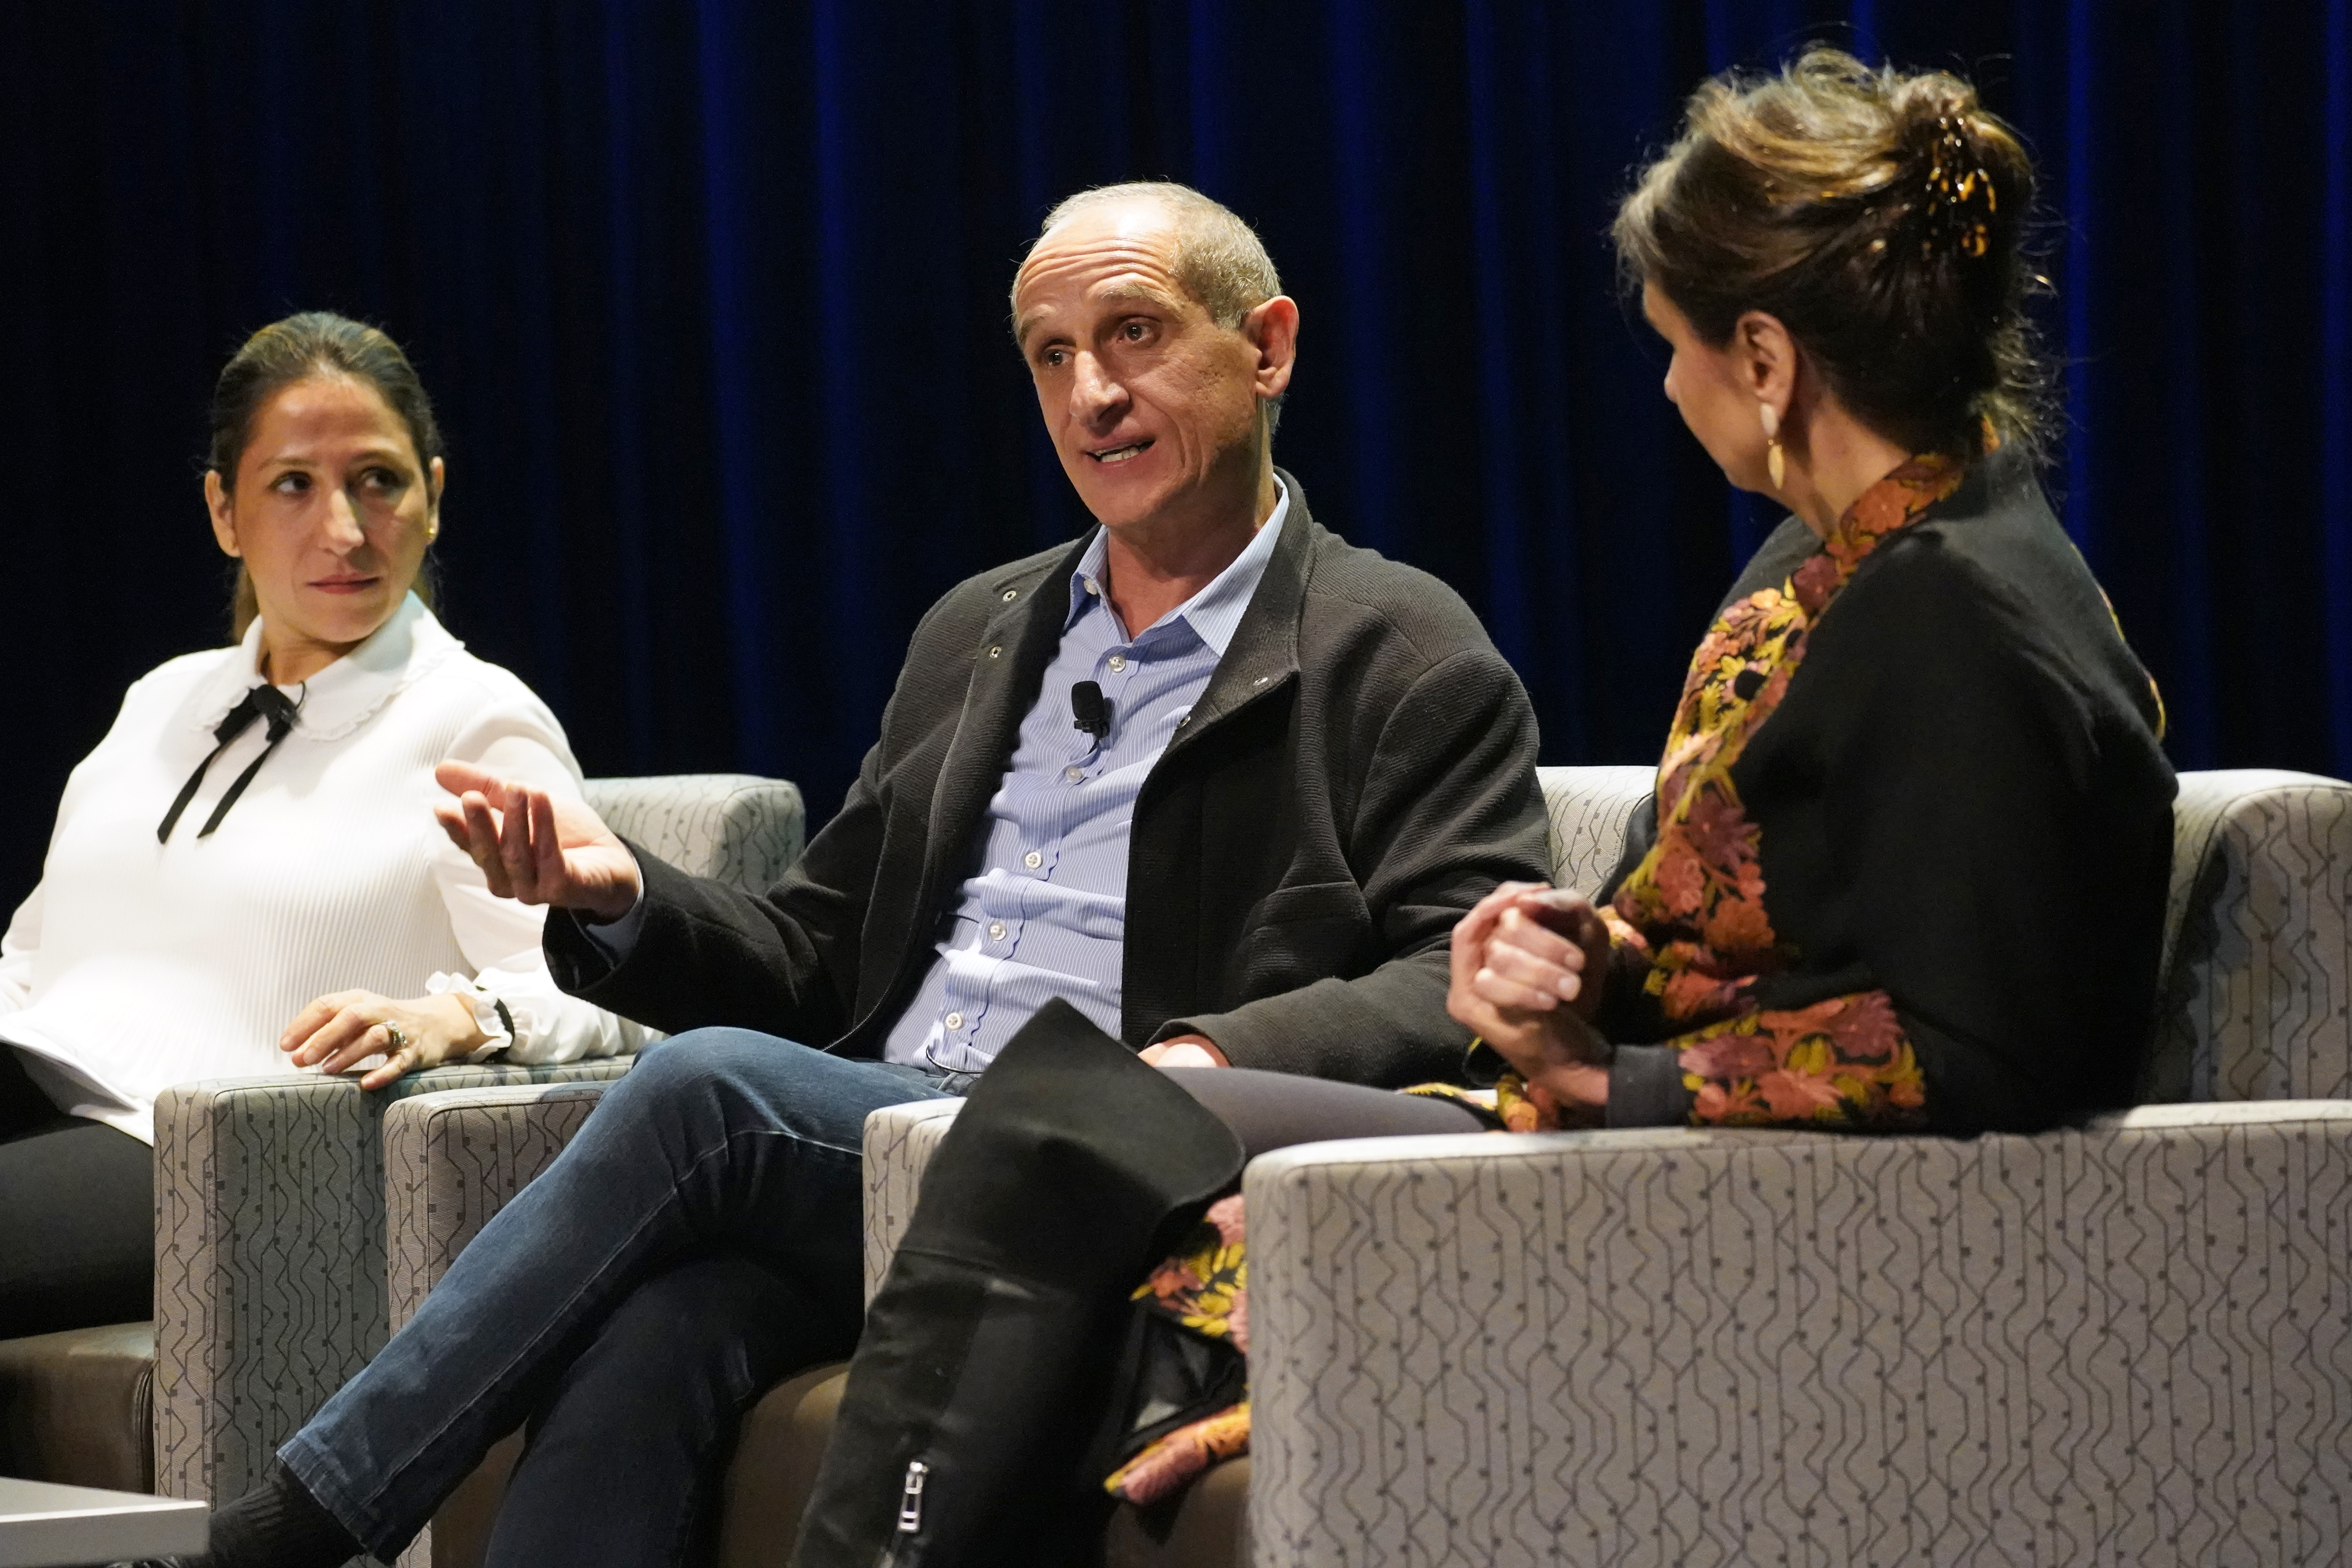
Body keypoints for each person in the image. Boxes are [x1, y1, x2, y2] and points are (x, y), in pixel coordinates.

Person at [785, 50, 2180, 1563]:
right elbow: (1761, 911)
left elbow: (1991, 1050)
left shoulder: (1965, 618)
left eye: (1677, 347)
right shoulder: (1826, 567)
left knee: (1079, 1127)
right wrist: (1578, 960)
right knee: (1078, 1121)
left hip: (1768, 1212)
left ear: (1767, 363)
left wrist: (1610, 1085)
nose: (1664, 384)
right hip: (1655, 1136)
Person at [159, 184, 1549, 1568]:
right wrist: (619, 897)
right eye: (1051, 356)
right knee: (665, 1327)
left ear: (1270, 347)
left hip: (1102, 1157)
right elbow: (817, 958)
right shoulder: (982, 630)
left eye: (1134, 334)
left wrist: (1206, 1054)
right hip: (886, 1144)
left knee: (705, 1086)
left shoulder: (1399, 649)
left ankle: (290, 1530)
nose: (1093, 394)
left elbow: (1463, 970)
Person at [0, 313, 647, 1344]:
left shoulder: (471, 722)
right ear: (224, 510)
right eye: (294, 484)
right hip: (34, 1088)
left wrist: (450, 1020)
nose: (344, 530)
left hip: (198, 1153)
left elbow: (611, 1002)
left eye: (379, 481)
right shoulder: (160, 702)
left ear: (434, 498)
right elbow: (30, 954)